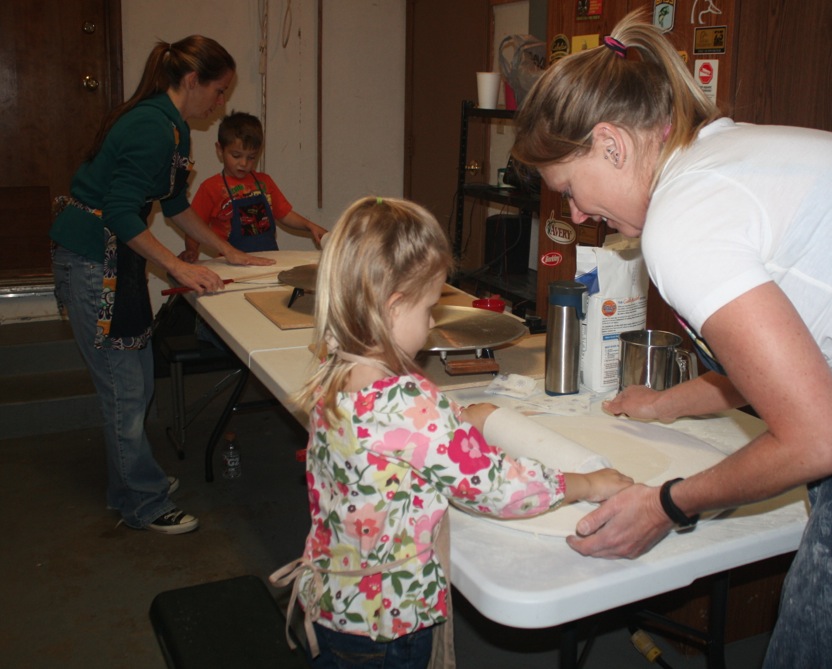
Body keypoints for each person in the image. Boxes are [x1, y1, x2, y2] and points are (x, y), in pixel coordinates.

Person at [510, 10, 832, 669]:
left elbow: (819, 438)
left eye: (570, 189)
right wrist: (674, 402)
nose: (576, 214)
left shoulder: (683, 220)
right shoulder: (733, 154)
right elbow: (798, 348)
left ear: (611, 144)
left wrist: (668, 504)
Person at [269, 196, 632, 668]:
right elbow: (499, 489)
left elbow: (384, 439)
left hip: (335, 602)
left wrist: (459, 420)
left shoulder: (335, 372)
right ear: (393, 307)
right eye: (429, 307)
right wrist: (583, 483)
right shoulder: (412, 405)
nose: (433, 320)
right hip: (388, 626)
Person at [50, 36, 275, 535]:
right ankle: (143, 504)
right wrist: (177, 266)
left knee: (137, 380)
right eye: (217, 92)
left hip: (115, 259)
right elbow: (119, 211)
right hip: (92, 261)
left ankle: (129, 483)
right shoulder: (152, 127)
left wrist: (226, 250)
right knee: (124, 391)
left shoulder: (172, 127)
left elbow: (173, 205)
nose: (219, 106)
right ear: (192, 81)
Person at [179, 111, 328, 262]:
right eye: (236, 156)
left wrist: (310, 226)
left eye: (251, 157)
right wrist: (191, 250)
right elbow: (194, 227)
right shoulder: (210, 187)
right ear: (219, 150)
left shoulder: (264, 182)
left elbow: (284, 214)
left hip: (268, 261)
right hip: (231, 265)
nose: (244, 163)